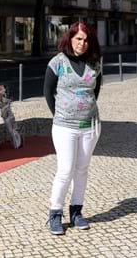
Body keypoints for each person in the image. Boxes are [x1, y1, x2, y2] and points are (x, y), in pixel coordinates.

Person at [43, 21, 102, 235]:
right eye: (78, 39)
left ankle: (76, 211)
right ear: (70, 39)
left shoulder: (95, 64)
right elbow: (48, 92)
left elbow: (95, 92)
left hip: (90, 126)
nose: (82, 43)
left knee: (82, 170)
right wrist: (60, 115)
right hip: (64, 127)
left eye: (86, 40)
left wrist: (85, 111)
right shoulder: (57, 62)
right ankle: (55, 214)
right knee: (65, 170)